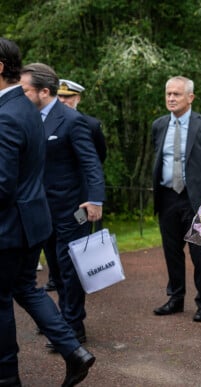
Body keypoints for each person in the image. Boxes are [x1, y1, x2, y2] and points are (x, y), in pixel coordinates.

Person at [0, 37, 95, 387]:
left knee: (3, 301)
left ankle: (7, 375)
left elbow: (2, 183)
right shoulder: (25, 109)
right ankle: (74, 351)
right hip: (31, 222)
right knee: (27, 289)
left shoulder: (7, 114)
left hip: (9, 227)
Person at [20, 62, 106, 349]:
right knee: (55, 272)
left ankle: (72, 329)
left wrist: (95, 199)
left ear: (44, 92)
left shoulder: (71, 120)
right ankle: (60, 322)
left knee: (70, 270)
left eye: (25, 90)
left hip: (72, 210)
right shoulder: (27, 118)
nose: (20, 94)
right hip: (40, 211)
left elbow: (91, 162)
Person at [151, 76, 201, 322]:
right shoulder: (159, 125)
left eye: (177, 94)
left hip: (197, 201)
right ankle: (175, 299)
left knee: (199, 254)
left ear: (190, 97)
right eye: (168, 94)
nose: (171, 98)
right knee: (172, 252)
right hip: (168, 197)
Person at [38, 79, 108, 293]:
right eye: (60, 96)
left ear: (78, 98)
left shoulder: (90, 124)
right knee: (54, 252)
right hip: (50, 199)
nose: (63, 100)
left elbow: (96, 160)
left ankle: (80, 295)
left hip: (80, 201)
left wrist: (94, 196)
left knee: (75, 253)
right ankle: (57, 284)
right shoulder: (39, 122)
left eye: (68, 97)